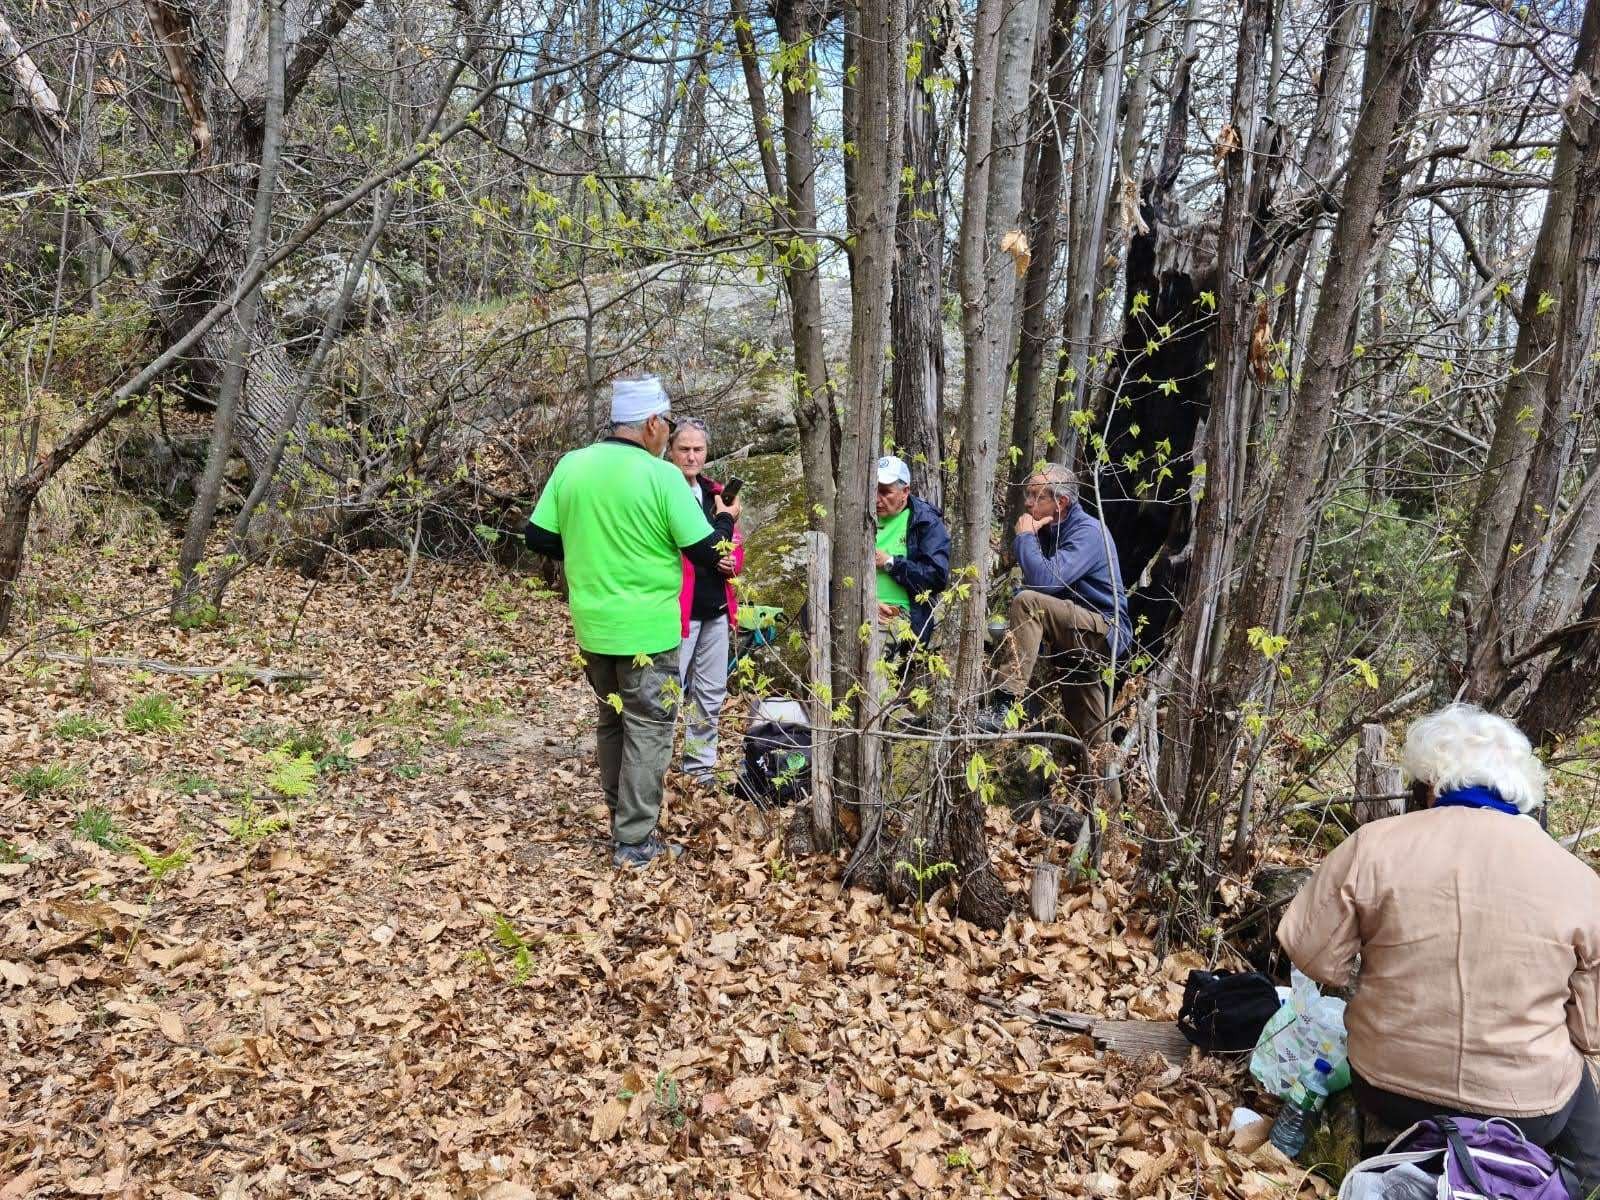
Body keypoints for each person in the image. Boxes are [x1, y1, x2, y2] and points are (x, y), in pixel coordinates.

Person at [1277, 704, 1600, 1194]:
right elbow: (1591, 1031)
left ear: (1431, 780)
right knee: (1589, 1129)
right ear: (1520, 787)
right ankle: (1556, 1185)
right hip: (1528, 1111)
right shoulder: (1578, 880)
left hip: (1388, 1089)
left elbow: (1312, 955)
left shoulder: (1374, 844)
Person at [525, 377, 740, 867]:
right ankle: (635, 841)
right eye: (665, 427)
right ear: (651, 424)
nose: (667, 438)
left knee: (612, 719)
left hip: (594, 627)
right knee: (648, 728)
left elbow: (536, 538)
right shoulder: (660, 476)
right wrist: (725, 518)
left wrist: (584, 549)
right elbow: (710, 552)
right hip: (648, 630)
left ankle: (620, 817)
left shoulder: (572, 466)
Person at [979, 464, 1131, 759]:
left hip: (1104, 630)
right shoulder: (1051, 530)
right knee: (1092, 734)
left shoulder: (1088, 532)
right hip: (1073, 635)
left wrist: (1025, 538)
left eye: (1036, 496)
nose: (1027, 503)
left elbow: (1046, 581)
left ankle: (1003, 704)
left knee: (1028, 603)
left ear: (1061, 502)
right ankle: (1107, 801)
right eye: (1028, 495)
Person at [668, 418, 744, 786]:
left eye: (698, 449)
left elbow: (734, 543)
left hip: (716, 607)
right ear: (670, 451)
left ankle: (699, 769)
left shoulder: (715, 494)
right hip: (679, 611)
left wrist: (731, 559)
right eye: (684, 449)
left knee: (711, 692)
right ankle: (658, 766)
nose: (692, 456)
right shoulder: (665, 490)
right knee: (670, 690)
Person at [872, 454, 951, 652]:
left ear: (904, 491)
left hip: (899, 614)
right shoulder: (860, 515)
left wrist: (890, 563)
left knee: (870, 655)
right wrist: (866, 602)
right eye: (873, 490)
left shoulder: (924, 522)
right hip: (860, 604)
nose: (876, 499)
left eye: (885, 492)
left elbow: (936, 577)